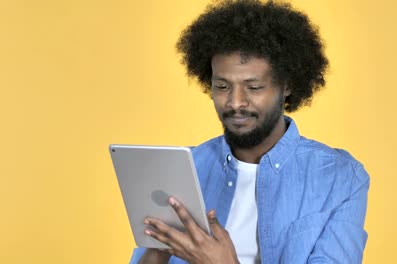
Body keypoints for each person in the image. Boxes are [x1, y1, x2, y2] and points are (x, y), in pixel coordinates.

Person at [130, 0, 370, 263]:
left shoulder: (339, 178)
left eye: (253, 87)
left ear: (286, 86)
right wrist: (158, 246)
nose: (235, 102)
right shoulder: (184, 169)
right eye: (222, 86)